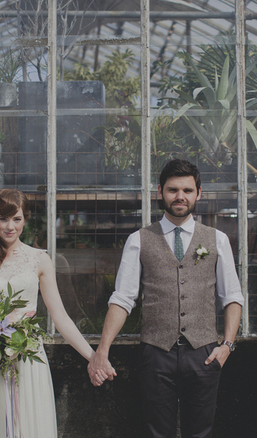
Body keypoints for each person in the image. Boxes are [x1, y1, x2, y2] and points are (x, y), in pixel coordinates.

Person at [88, 159, 244, 438]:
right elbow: (123, 298)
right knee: (155, 433)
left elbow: (231, 296)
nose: (180, 196)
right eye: (173, 190)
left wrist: (227, 346)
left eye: (187, 190)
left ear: (199, 193)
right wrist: (102, 350)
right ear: (160, 191)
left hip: (204, 353)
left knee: (202, 433)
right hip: (156, 353)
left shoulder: (217, 239)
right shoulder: (139, 239)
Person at [0, 188, 109, 438]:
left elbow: (60, 316)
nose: (10, 226)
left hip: (29, 358)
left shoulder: (39, 260)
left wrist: (93, 356)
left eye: (17, 219)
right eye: (3, 219)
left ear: (25, 219)